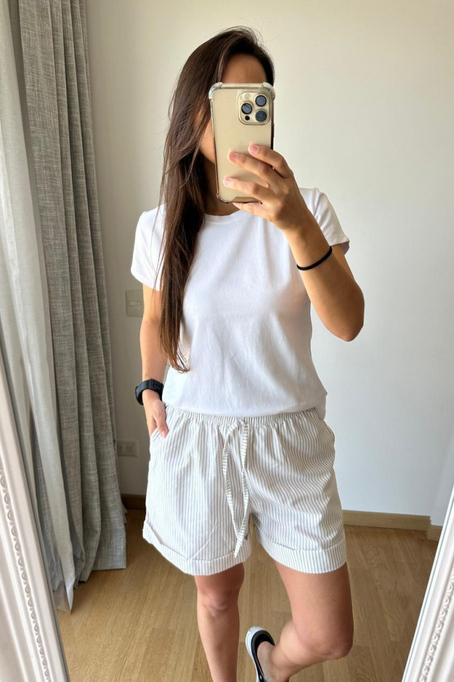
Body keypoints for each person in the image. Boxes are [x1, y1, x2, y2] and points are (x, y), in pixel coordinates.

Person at [130, 26, 364, 682]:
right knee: (216, 595)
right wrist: (150, 386)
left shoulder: (308, 209)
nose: (244, 110)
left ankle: (272, 662)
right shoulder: (160, 227)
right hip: (199, 437)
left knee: (330, 634)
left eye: (255, 97)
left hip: (290, 439)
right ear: (193, 111)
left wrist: (292, 222)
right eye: (226, 96)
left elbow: (347, 323)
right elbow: (155, 320)